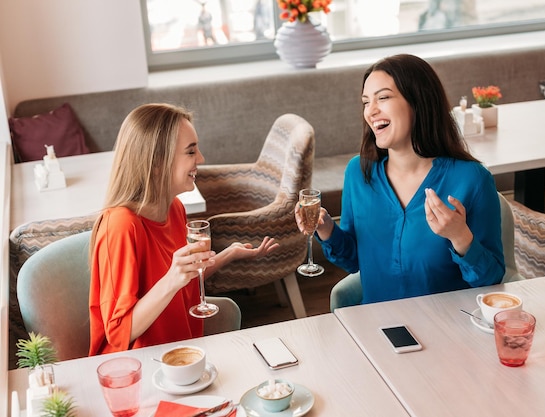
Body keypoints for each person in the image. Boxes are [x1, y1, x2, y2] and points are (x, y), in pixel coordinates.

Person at [295, 54, 504, 305]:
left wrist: (460, 237)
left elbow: (492, 281)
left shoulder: (472, 180)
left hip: (448, 330)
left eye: (383, 98)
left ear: (419, 102)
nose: (371, 111)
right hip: (379, 327)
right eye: (365, 102)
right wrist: (326, 228)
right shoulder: (358, 173)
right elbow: (354, 261)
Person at [89, 103, 278, 355]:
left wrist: (228, 254)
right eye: (191, 152)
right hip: (138, 368)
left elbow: (184, 281)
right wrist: (171, 279)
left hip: (181, 356)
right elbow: (118, 332)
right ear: (157, 161)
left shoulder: (175, 208)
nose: (201, 159)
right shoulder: (121, 226)